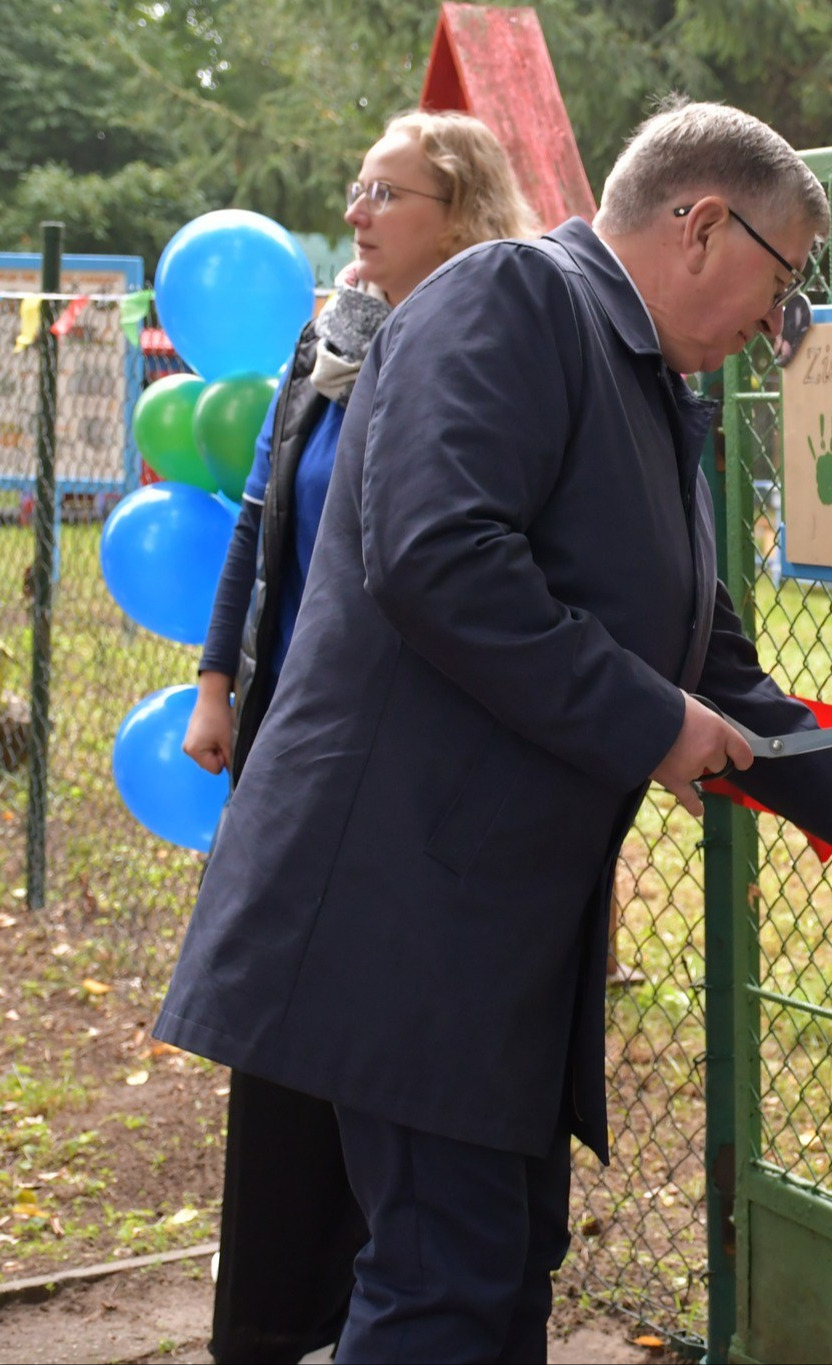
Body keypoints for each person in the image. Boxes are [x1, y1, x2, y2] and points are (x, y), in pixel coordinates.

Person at [155, 95, 832, 1363]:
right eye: (786, 277)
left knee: (500, 1265)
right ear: (701, 225)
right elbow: (437, 557)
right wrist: (651, 720)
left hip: (480, 926)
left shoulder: (641, 380)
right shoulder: (510, 297)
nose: (777, 321)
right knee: (443, 1284)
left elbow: (714, 671)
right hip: (396, 908)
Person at [179, 109, 541, 1364]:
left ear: (463, 210)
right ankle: (280, 1322)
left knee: (385, 1059)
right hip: (299, 741)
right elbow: (258, 516)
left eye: (385, 193)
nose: (354, 214)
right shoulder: (326, 341)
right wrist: (218, 682)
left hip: (415, 773)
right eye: (357, 187)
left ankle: (381, 1305)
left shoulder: (497, 354)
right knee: (286, 1052)